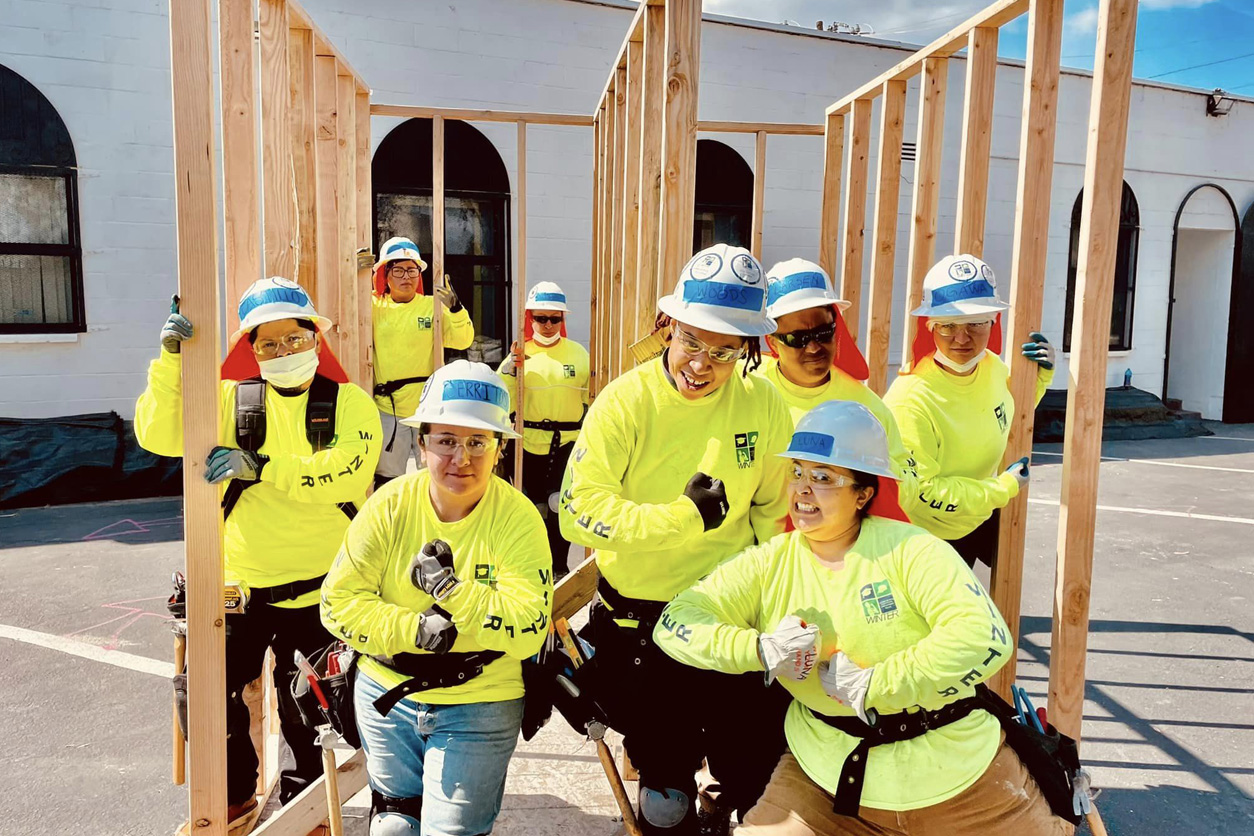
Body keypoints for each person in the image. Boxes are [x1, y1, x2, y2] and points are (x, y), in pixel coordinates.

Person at [653, 400, 1069, 836]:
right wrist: (755, 648)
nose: (802, 490)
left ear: (864, 493)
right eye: (796, 471)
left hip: (958, 778)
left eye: (823, 478)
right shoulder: (768, 564)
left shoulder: (912, 550)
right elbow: (676, 622)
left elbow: (985, 637)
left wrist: (878, 684)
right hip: (826, 780)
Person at [559, 244, 794, 835]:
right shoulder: (625, 402)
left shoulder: (763, 401)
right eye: (692, 341)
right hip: (645, 628)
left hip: (730, 620)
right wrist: (684, 519)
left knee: (758, 778)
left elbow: (770, 510)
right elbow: (577, 514)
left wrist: (776, 601)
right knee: (664, 795)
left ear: (746, 349)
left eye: (723, 351)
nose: (702, 363)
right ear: (668, 327)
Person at [136, 277, 381, 830]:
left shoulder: (349, 405)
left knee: (310, 709)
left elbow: (347, 472)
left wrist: (265, 466)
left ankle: (307, 808)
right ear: (251, 349)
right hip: (239, 589)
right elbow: (156, 433)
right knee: (203, 693)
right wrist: (171, 363)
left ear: (315, 337)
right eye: (266, 344)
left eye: (293, 339)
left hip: (320, 591)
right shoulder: (231, 400)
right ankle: (231, 798)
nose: (281, 353)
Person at [321, 359, 552, 836]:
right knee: (393, 828)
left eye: (477, 442)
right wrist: (413, 630)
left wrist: (453, 594)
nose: (460, 458)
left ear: (498, 449)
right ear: (422, 443)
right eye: (446, 441)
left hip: (481, 698)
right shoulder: (389, 506)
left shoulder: (518, 519)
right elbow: (338, 604)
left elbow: (529, 629)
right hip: (388, 693)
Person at [884, 254, 1055, 568]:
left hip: (978, 514)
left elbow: (1004, 413)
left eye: (975, 324)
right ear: (930, 326)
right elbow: (922, 491)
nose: (962, 338)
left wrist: (1040, 377)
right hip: (926, 536)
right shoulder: (910, 399)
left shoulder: (991, 368)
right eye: (948, 326)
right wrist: (1000, 488)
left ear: (993, 322)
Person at [755, 259, 916, 515]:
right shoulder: (749, 387)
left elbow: (908, 486)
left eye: (824, 333)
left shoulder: (865, 408)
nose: (814, 347)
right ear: (772, 343)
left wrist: (866, 464)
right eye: (798, 338)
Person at [498, 281, 590, 579]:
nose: (548, 325)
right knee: (531, 507)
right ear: (530, 318)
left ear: (563, 320)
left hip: (567, 442)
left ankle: (560, 565)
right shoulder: (518, 356)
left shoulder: (579, 354)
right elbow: (503, 400)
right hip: (527, 441)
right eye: (541, 318)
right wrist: (510, 371)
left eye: (555, 319)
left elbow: (589, 396)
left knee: (558, 504)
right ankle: (532, 565)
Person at [371, 236, 475, 487]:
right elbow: (346, 312)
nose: (406, 276)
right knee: (387, 476)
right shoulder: (373, 307)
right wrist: (354, 272)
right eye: (398, 270)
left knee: (432, 475)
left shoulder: (432, 307)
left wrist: (456, 309)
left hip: (426, 407)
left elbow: (463, 341)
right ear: (386, 275)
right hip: (387, 408)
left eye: (412, 270)